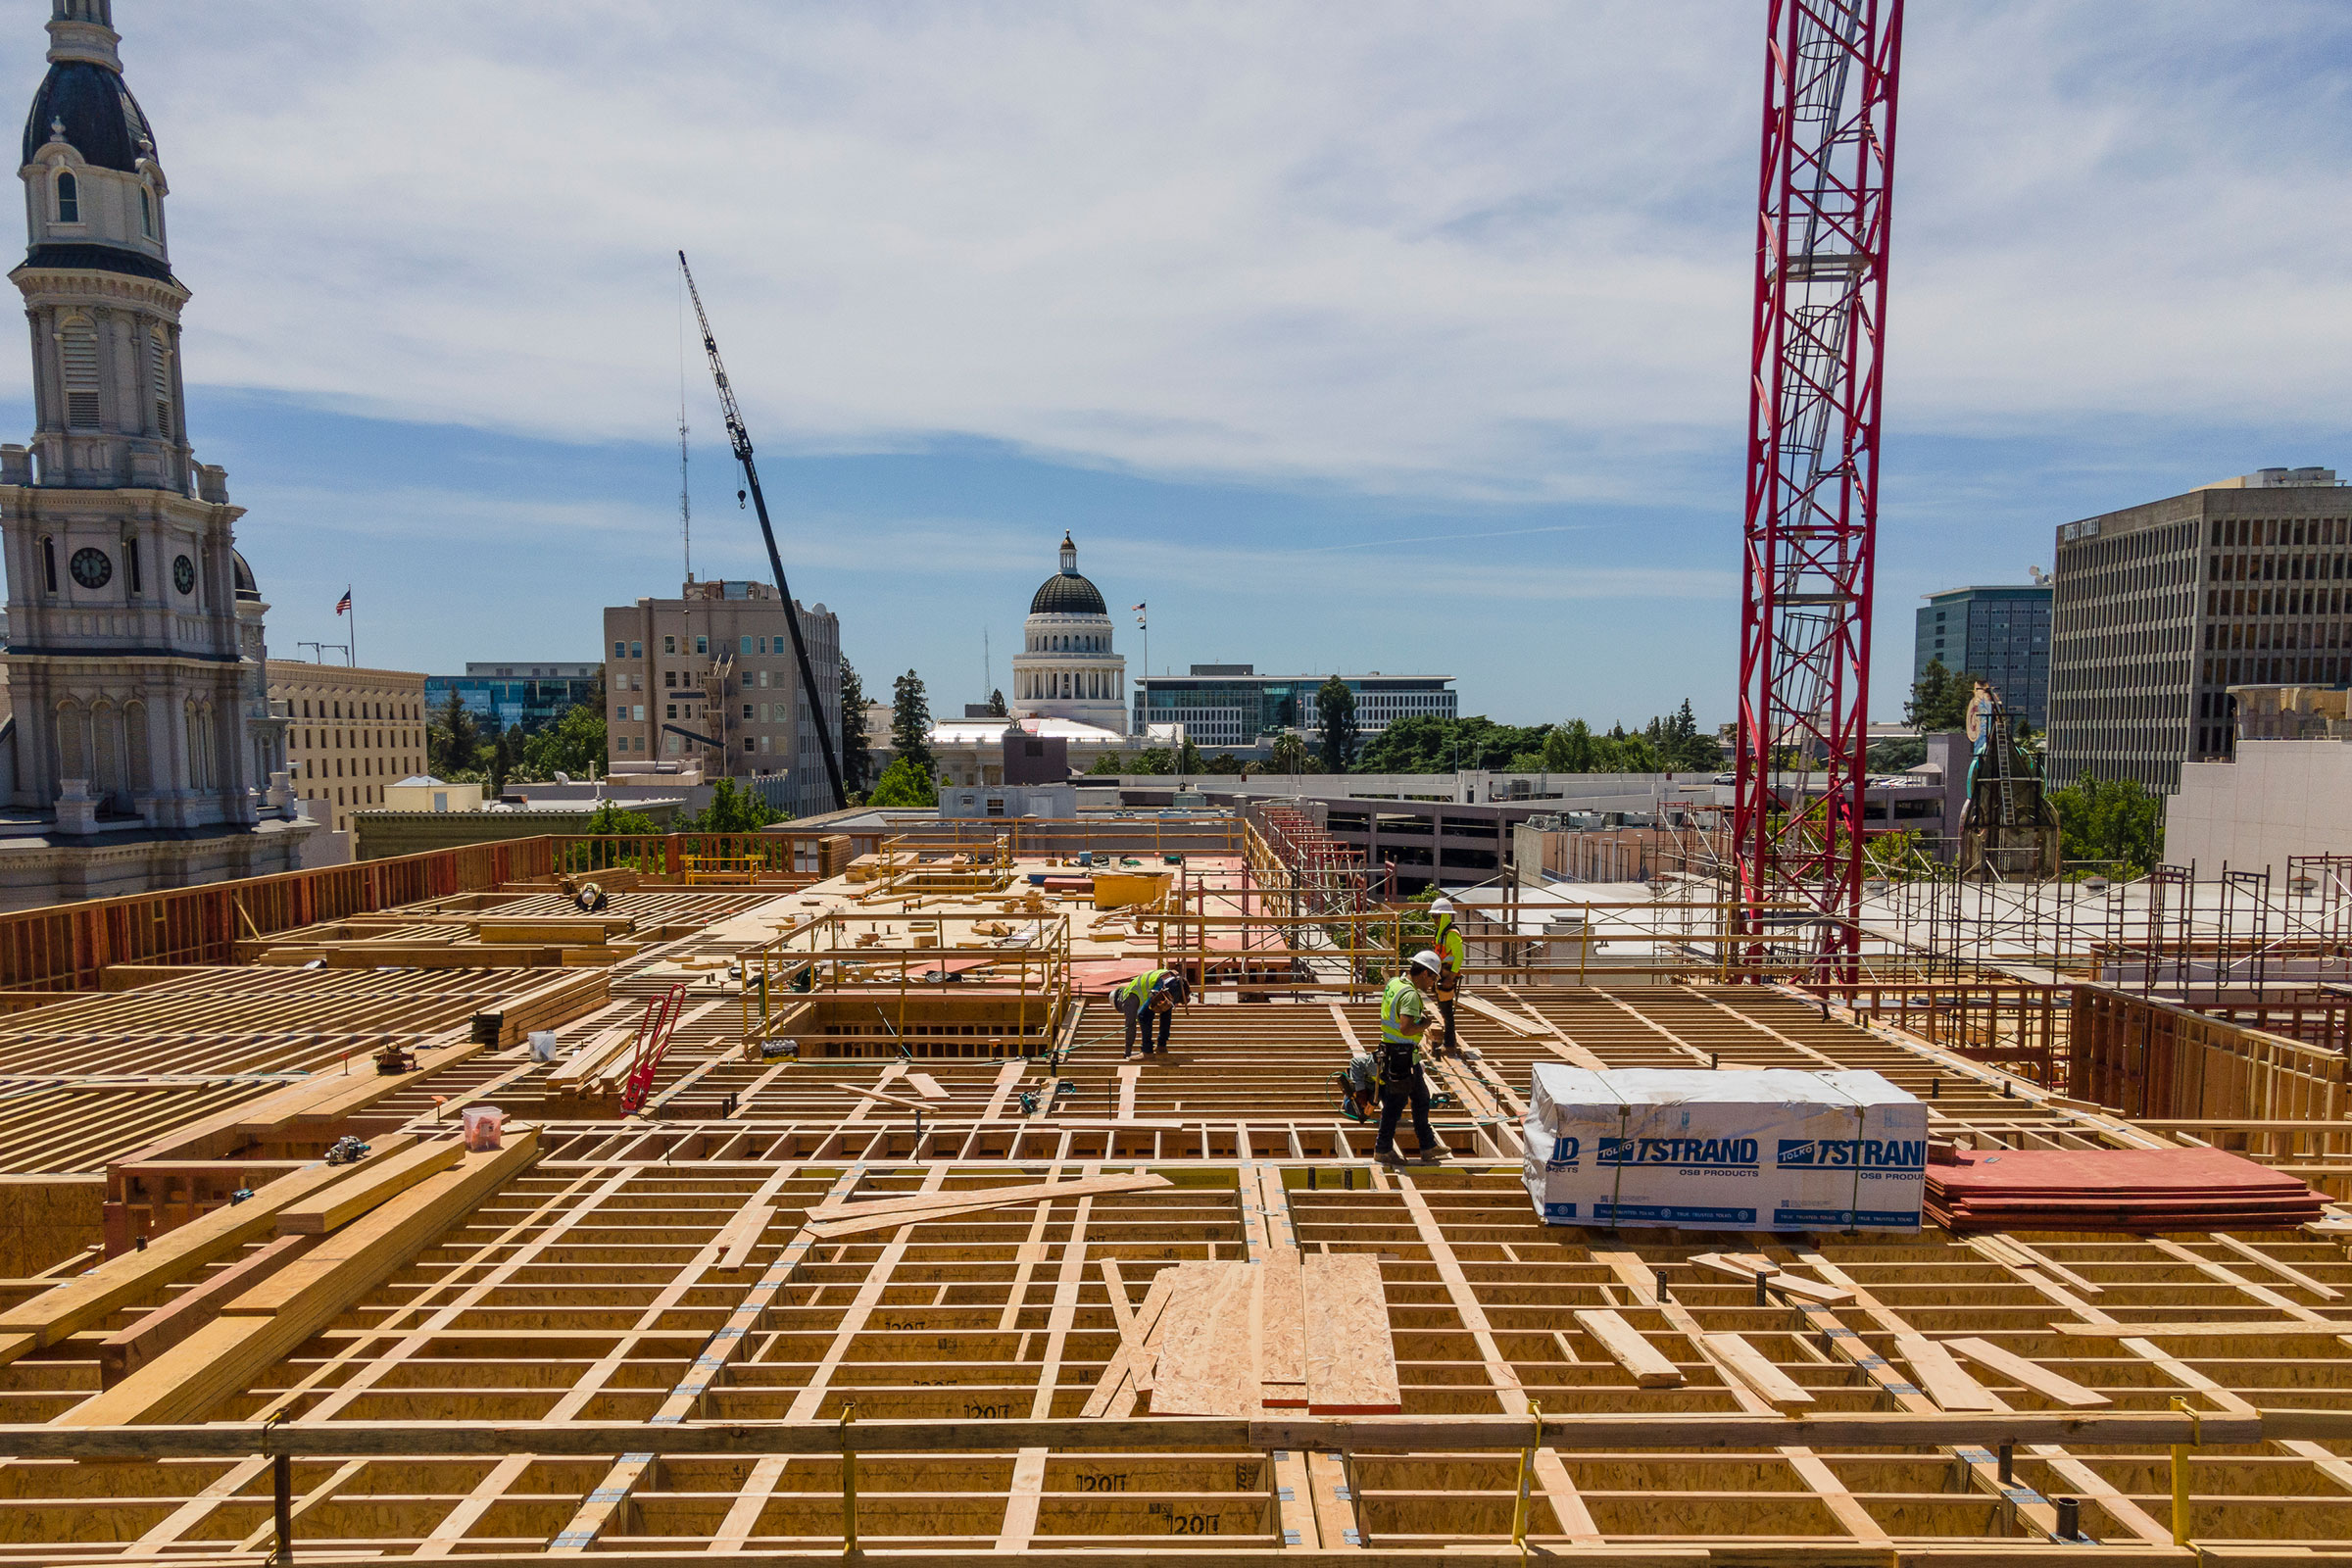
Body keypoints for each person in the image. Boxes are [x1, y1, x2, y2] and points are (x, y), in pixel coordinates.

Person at [1374, 950, 1447, 1164]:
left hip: (1398, 1053)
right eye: (1433, 977)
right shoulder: (1410, 995)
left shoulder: (1396, 982)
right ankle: (1383, 1149)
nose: (1433, 983)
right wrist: (1425, 1024)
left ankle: (1428, 1146)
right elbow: (1406, 1028)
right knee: (1395, 1104)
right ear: (1424, 973)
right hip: (1400, 1055)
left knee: (1422, 1098)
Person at [1115, 967, 1189, 1058]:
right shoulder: (1135, 986)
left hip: (1163, 984)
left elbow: (1130, 1025)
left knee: (1143, 1016)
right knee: (1165, 1011)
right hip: (1177, 983)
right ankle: (1161, 1046)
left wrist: (1127, 1052)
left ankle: (1147, 1051)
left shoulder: (1127, 996)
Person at [1428, 897, 1466, 1055]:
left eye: (1437, 916)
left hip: (1448, 975)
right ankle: (1448, 1041)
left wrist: (1450, 977)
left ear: (1444, 916)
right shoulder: (1441, 933)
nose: (1434, 919)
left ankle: (1450, 1044)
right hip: (1441, 974)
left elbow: (1459, 956)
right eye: (1433, 916)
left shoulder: (1451, 934)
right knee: (1444, 1009)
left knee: (1447, 1010)